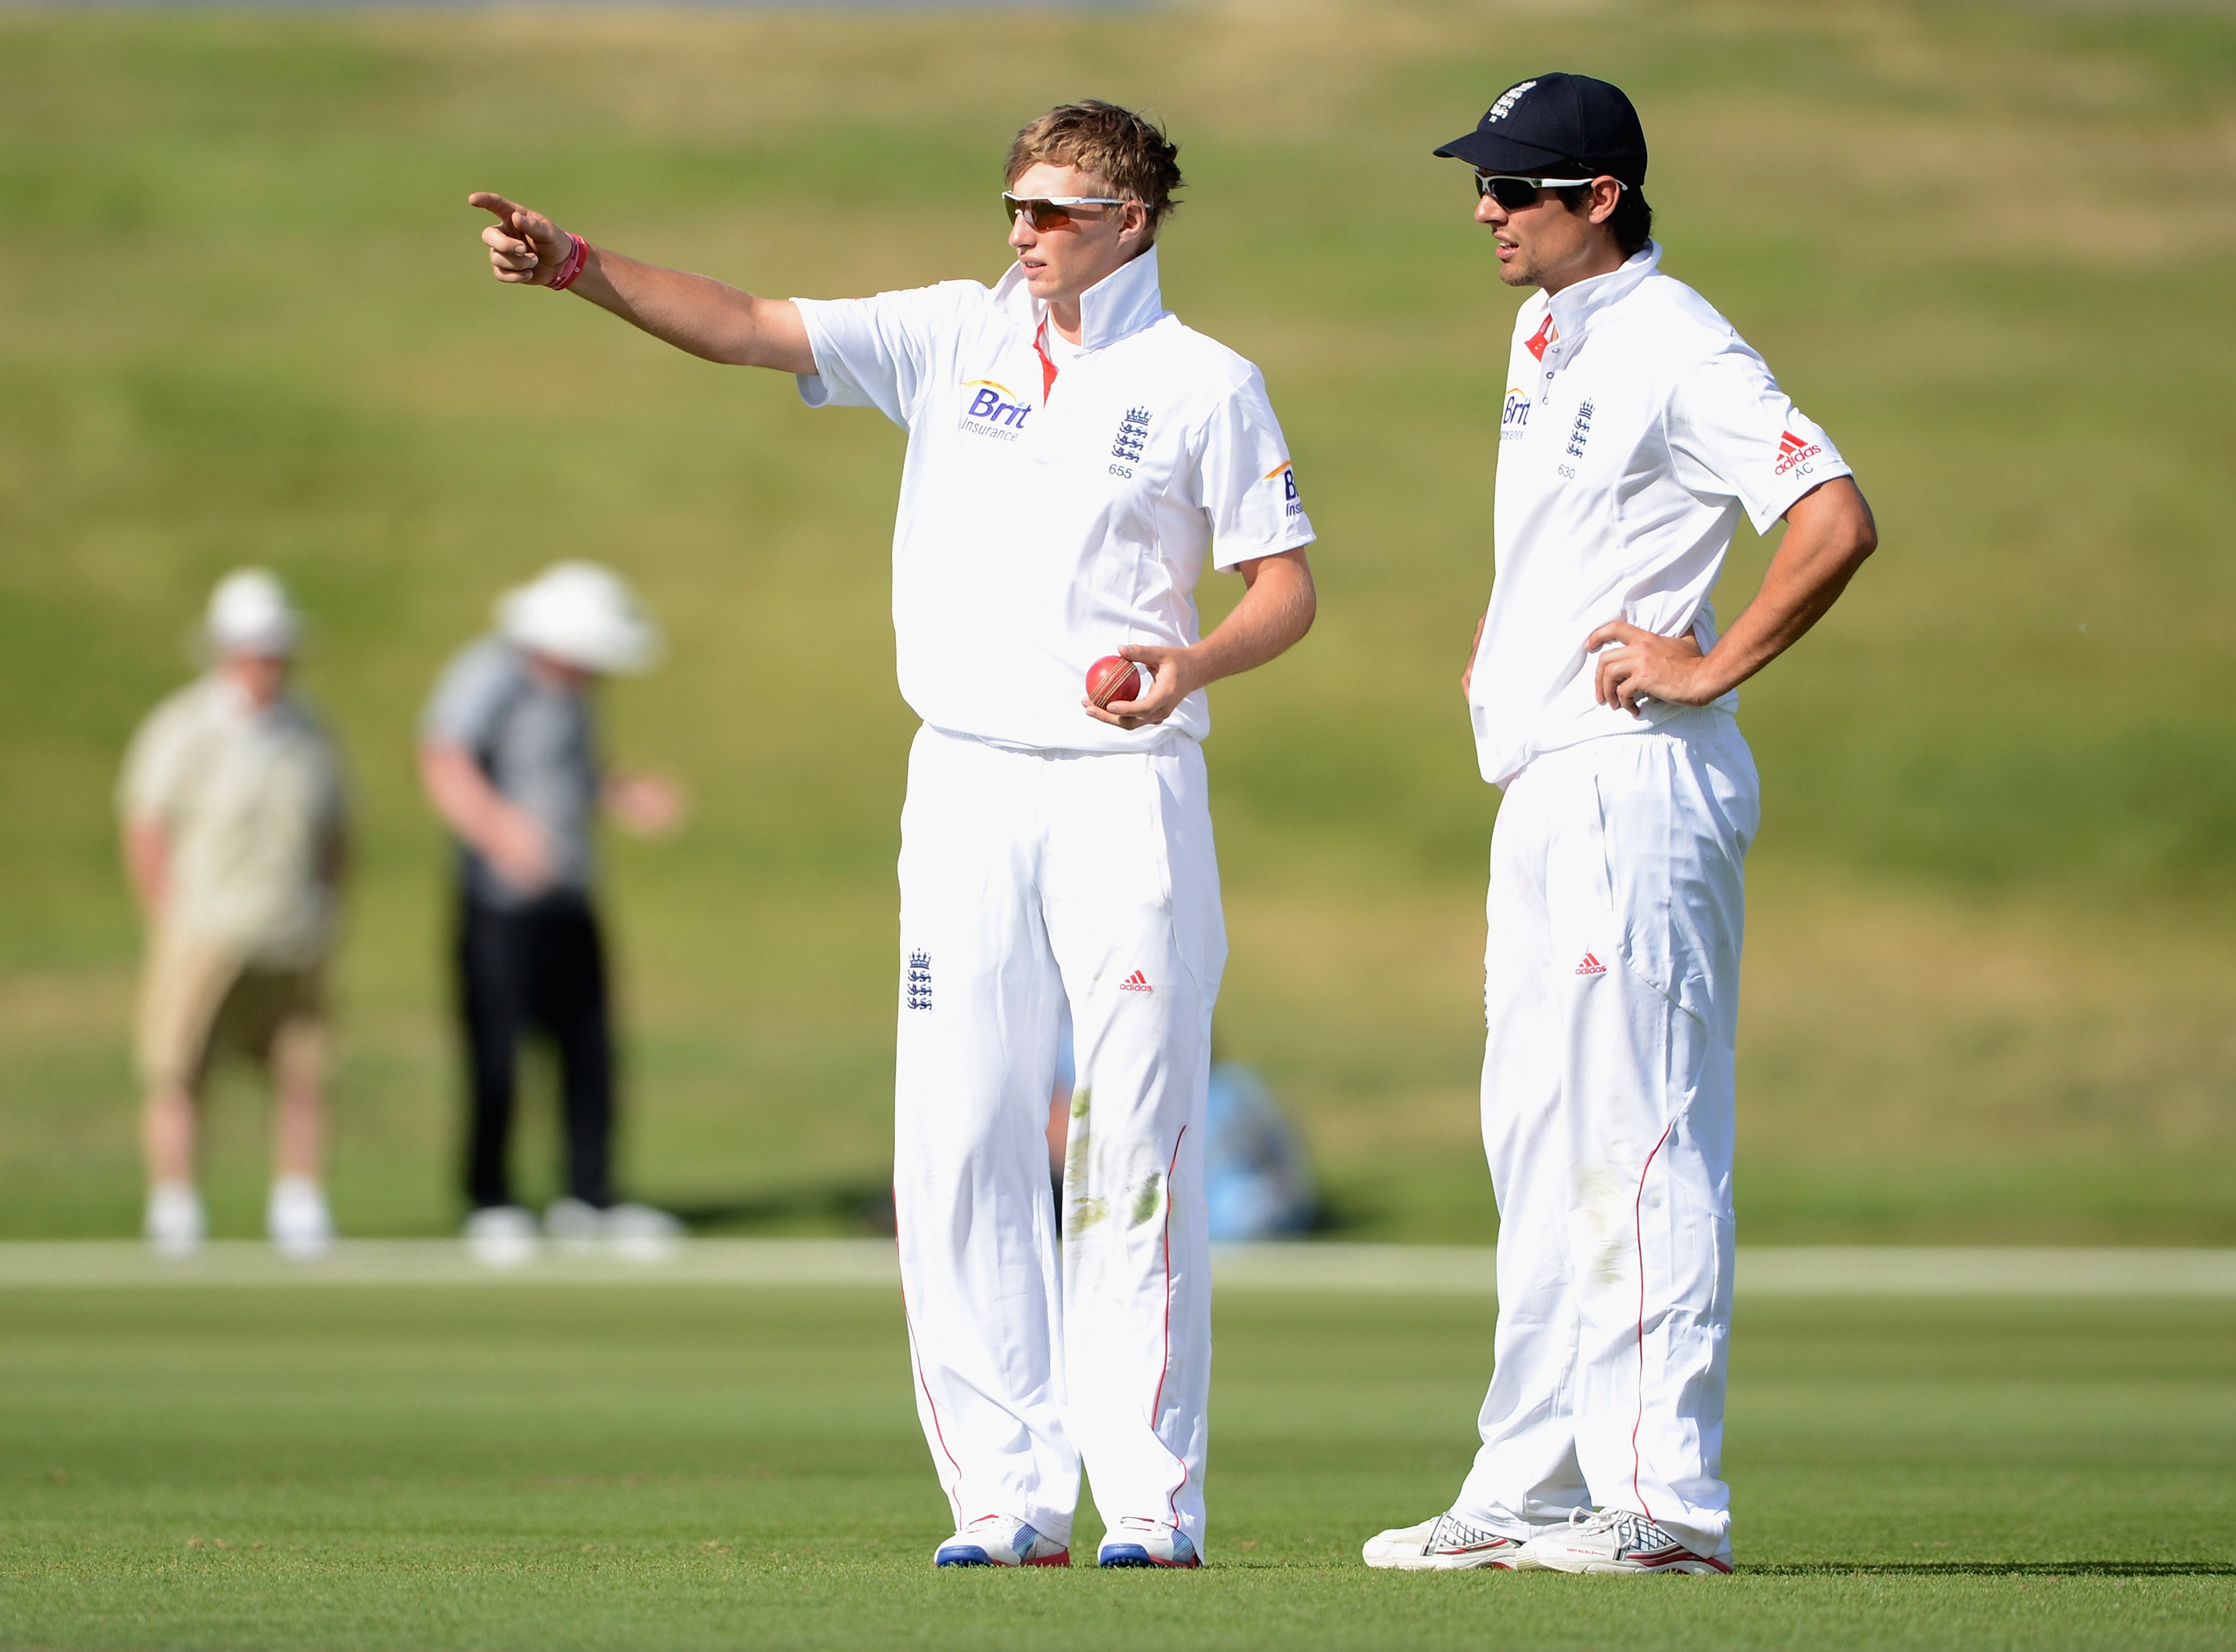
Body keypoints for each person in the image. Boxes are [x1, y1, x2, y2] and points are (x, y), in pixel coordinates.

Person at [466, 98, 1317, 1568]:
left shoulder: (1205, 383)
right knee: (962, 1130)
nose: (1023, 233)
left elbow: (1282, 585)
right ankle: (1004, 1494)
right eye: (1013, 207)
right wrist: (581, 267)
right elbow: (743, 325)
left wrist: (1188, 663)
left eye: (1052, 211)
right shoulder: (951, 333)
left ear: (1131, 219)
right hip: (968, 776)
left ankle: (1153, 1499)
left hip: (1127, 783)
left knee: (1136, 1130)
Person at [1363, 75, 1878, 1575]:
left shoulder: (1673, 339)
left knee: (1636, 1138)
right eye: (1483, 183)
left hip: (1634, 776)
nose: (1485, 211)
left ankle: (1665, 1507)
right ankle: (1524, 1485)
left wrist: (1711, 663)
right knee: (1535, 1141)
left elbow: (1831, 513)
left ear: (1600, 199)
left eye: (1516, 190)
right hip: (1542, 779)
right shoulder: (1546, 330)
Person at [418, 562, 687, 1265]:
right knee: (498, 1053)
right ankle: (492, 1200)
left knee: (589, 1048)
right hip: (498, 905)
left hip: (571, 893)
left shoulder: (577, 696)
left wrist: (626, 795)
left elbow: (581, 774)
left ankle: (588, 1196)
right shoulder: (492, 674)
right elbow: (443, 759)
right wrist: (501, 833)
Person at [119, 570, 349, 1260]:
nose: (267, 664)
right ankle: (175, 1205)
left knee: (302, 1072)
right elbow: (147, 828)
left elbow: (337, 832)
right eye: (254, 649)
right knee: (178, 1068)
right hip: (205, 928)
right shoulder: (183, 727)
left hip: (292, 929)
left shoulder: (310, 732)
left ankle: (300, 1203)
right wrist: (167, 914)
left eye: (276, 650)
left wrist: (328, 905)